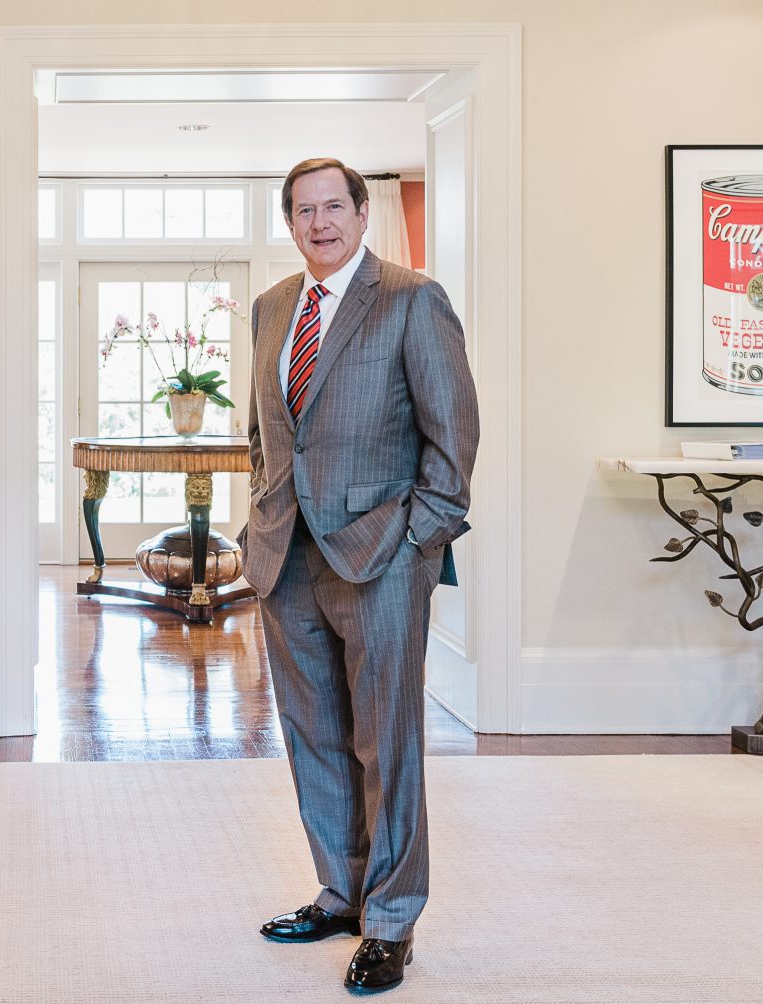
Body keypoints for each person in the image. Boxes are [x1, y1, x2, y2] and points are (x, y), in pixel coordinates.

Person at [240, 157, 478, 993]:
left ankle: (391, 919)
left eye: (332, 206)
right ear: (290, 221)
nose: (319, 223)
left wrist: (420, 539)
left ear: (362, 212)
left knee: (387, 741)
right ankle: (341, 891)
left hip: (381, 557)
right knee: (314, 736)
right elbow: (266, 434)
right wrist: (257, 522)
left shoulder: (413, 299)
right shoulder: (274, 307)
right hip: (285, 555)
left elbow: (454, 439)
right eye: (303, 211)